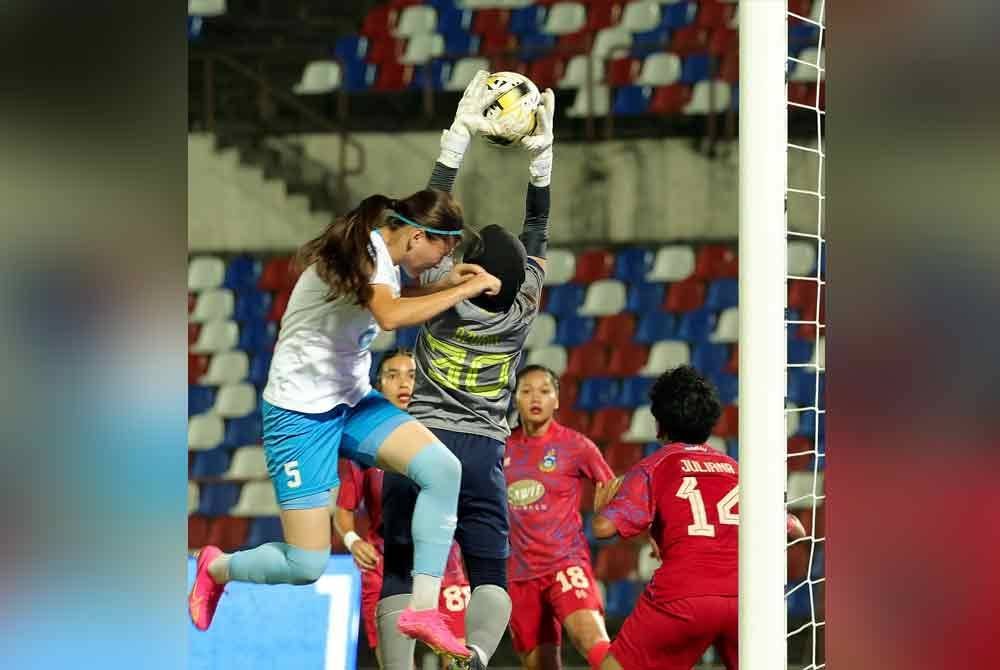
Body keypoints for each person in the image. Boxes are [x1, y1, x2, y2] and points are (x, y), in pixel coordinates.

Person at [188, 74, 506, 662]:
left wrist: (453, 279)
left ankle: (423, 610)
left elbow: (406, 292)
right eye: (444, 253)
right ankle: (219, 568)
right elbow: (389, 315)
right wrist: (464, 290)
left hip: (351, 402)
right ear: (415, 236)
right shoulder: (368, 254)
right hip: (300, 416)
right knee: (306, 563)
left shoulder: (391, 252)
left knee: (441, 469)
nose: (444, 265)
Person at [376, 73, 556, 670]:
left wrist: (456, 141)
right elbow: (537, 236)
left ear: (467, 264)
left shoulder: (439, 284)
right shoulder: (524, 305)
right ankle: (476, 653)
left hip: (419, 440)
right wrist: (542, 166)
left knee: (401, 566)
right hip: (481, 452)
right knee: (489, 570)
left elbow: (423, 232)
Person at [591, 366, 807, 670]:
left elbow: (604, 529)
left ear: (659, 426)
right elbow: (795, 529)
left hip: (684, 594)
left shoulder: (654, 466)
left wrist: (602, 508)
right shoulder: (736, 468)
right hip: (745, 596)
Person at [333, 348, 471, 668]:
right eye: (392, 376)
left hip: (442, 567)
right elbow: (344, 509)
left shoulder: (444, 440)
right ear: (379, 386)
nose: (403, 383)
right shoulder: (364, 446)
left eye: (411, 375)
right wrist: (353, 541)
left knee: (462, 662)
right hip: (385, 570)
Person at [505, 365, 615, 670]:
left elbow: (611, 486)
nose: (535, 398)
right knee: (542, 665)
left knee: (590, 640)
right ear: (515, 398)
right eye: (526, 391)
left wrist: (608, 517)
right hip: (518, 574)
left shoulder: (575, 445)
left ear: (557, 400)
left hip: (564, 564)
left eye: (544, 391)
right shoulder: (501, 448)